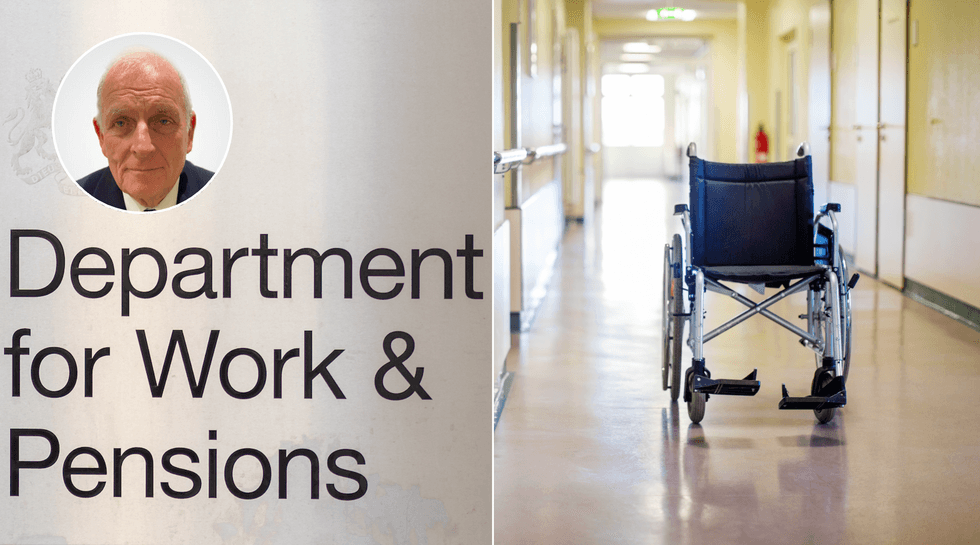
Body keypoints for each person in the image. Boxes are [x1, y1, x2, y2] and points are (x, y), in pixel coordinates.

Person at [77, 50, 212, 211]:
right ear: (101, 136)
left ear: (189, 133)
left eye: (163, 121)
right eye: (121, 123)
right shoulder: (71, 204)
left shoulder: (227, 197)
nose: (143, 147)